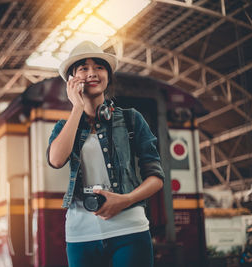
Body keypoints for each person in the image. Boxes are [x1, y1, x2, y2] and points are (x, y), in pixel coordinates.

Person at [47, 41, 165, 267]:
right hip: (81, 235)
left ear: (108, 76)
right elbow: (56, 159)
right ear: (72, 80)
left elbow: (156, 177)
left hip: (130, 229)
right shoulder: (64, 127)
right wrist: (77, 107)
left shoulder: (131, 119)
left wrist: (126, 200)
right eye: (83, 68)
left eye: (99, 67)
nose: (92, 73)